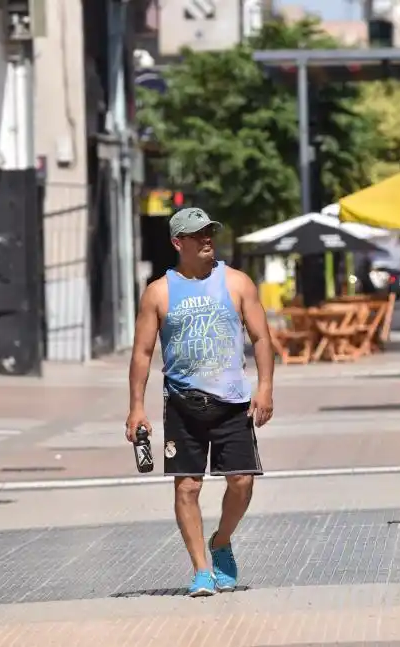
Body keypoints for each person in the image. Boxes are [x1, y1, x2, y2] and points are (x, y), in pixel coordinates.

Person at [126, 207, 275, 597]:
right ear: (179, 243)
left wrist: (265, 388)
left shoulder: (237, 283)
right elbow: (142, 353)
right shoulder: (158, 292)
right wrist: (136, 408)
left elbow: (261, 338)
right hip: (182, 404)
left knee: (241, 482)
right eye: (198, 234)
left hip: (232, 402)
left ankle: (221, 540)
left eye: (209, 232)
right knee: (187, 488)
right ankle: (201, 571)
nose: (207, 239)